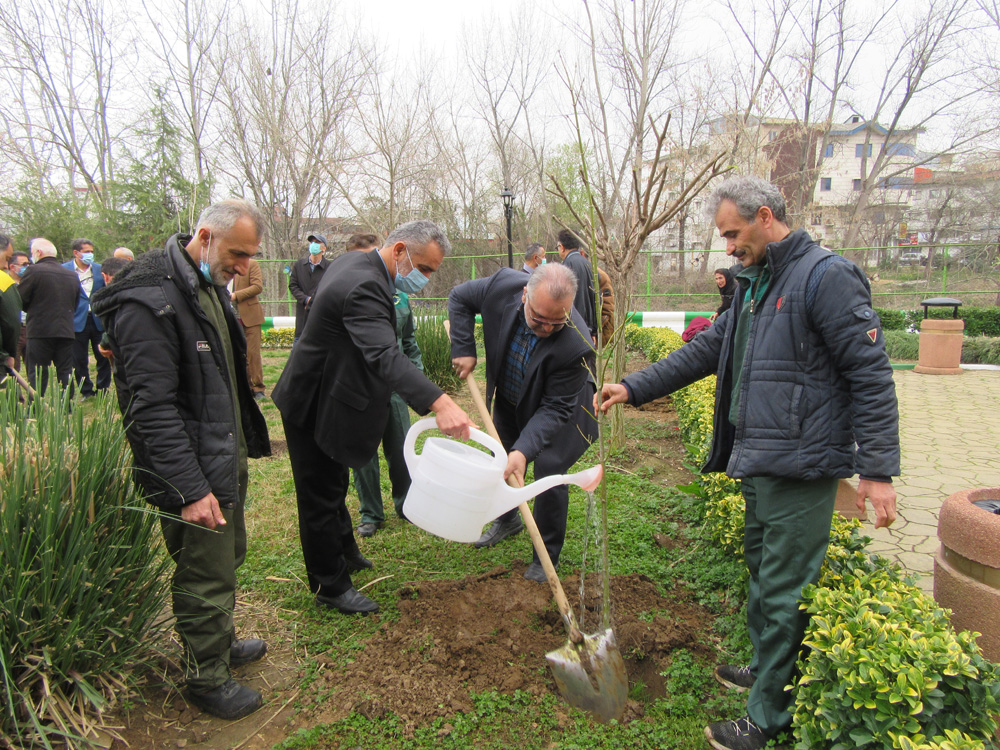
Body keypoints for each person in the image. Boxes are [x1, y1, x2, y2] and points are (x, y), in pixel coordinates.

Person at [596, 176, 899, 750]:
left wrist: (878, 472)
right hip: (760, 457)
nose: (728, 247)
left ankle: (766, 721)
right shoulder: (757, 283)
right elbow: (709, 348)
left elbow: (872, 376)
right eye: (724, 238)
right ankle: (767, 671)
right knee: (765, 577)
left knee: (784, 591)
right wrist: (633, 387)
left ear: (765, 216)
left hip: (800, 465)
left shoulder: (825, 277)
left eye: (734, 234)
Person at [91, 200, 272, 721]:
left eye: (249, 256)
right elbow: (151, 410)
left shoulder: (206, 281)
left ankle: (219, 639)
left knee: (226, 553)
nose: (243, 268)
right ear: (205, 235)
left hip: (218, 452)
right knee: (204, 570)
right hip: (189, 467)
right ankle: (206, 676)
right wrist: (190, 489)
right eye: (237, 254)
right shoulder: (150, 300)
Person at [272, 220, 474, 615]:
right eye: (426, 269)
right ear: (399, 250)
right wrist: (440, 402)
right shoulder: (366, 285)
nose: (426, 279)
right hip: (313, 400)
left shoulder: (356, 262)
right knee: (319, 496)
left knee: (333, 482)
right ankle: (330, 584)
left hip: (331, 390)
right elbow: (384, 355)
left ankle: (345, 552)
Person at [450, 263, 597, 582]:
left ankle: (546, 555)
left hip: (561, 410)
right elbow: (459, 298)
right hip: (511, 394)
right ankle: (507, 519)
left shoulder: (577, 345)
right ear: (524, 295)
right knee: (501, 456)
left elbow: (556, 409)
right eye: (538, 319)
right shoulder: (501, 286)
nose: (545, 329)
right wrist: (464, 348)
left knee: (548, 470)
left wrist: (525, 450)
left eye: (556, 323)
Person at [342, 232, 417, 538]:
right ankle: (371, 512)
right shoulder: (344, 292)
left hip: (395, 388)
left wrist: (416, 379)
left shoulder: (400, 296)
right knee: (363, 456)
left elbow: (409, 342)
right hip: (360, 388)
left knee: (400, 449)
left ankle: (406, 503)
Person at [19, 238, 80, 394]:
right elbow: (75, 302)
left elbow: (21, 299)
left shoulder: (33, 271)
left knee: (38, 374)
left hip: (40, 330)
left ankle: (36, 409)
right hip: (65, 329)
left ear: (38, 252)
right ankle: (68, 408)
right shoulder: (71, 275)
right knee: (65, 371)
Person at [63, 238, 110, 398]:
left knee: (102, 356)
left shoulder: (99, 269)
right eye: (86, 252)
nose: (90, 254)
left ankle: (103, 388)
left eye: (91, 251)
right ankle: (86, 391)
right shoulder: (65, 270)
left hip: (98, 319)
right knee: (79, 359)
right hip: (77, 320)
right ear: (76, 253)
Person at [231, 257, 266, 401]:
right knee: (237, 354)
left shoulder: (251, 264)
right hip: (230, 317)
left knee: (252, 354)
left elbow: (257, 286)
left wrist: (235, 295)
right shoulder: (222, 265)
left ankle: (258, 388)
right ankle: (243, 387)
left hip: (250, 317)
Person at [288, 233, 330, 344]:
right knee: (297, 351)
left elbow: (331, 289)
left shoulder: (330, 267)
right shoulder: (299, 265)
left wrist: (315, 300)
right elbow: (293, 285)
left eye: (317, 243)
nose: (313, 245)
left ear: (324, 248)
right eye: (312, 242)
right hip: (303, 313)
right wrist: (305, 299)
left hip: (320, 315)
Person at [556, 229, 597, 341]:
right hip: (588, 329)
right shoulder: (588, 265)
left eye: (558, 247)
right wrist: (594, 330)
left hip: (572, 328)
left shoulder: (565, 267)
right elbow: (597, 299)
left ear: (562, 247)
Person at [0, 235, 22, 382]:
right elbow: (11, 322)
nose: (6, 266)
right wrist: (10, 354)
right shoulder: (3, 281)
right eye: (7, 258)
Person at [8, 251, 30, 372]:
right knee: (13, 367)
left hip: (30, 328)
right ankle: (15, 391)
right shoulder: (6, 284)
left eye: (28, 263)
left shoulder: (30, 282)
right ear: (12, 266)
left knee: (33, 366)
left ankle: (34, 391)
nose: (27, 267)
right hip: (14, 329)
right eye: (24, 264)